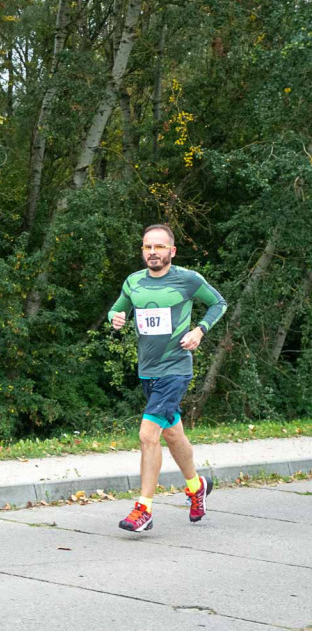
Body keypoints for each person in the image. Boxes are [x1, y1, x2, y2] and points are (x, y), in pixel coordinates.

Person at [108, 224, 227, 533]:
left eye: (159, 247)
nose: (153, 252)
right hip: (148, 371)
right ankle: (196, 485)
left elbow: (219, 303)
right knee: (173, 434)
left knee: (149, 435)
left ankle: (143, 509)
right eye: (148, 247)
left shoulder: (188, 280)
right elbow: (117, 311)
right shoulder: (134, 282)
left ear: (171, 251)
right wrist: (116, 318)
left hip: (175, 369)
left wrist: (199, 330)